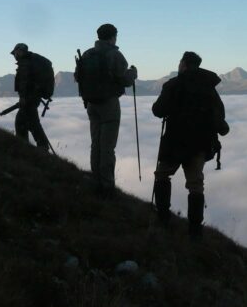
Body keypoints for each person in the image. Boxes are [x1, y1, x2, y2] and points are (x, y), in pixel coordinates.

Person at [151, 51, 229, 239]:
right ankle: (195, 231)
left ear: (184, 64)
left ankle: (162, 217)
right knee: (195, 185)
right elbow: (219, 115)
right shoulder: (209, 88)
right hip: (200, 143)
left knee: (162, 175)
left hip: (175, 142)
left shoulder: (173, 85)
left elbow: (158, 110)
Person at [75, 24, 137, 198]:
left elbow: (77, 76)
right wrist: (133, 73)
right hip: (109, 104)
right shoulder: (114, 54)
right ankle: (107, 186)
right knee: (108, 147)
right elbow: (125, 79)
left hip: (91, 104)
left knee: (96, 143)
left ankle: (96, 180)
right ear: (113, 37)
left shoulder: (87, 54)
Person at [10, 43, 53, 150]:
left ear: (19, 51)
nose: (14, 55)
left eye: (15, 53)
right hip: (35, 96)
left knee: (23, 122)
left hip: (29, 98)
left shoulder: (25, 63)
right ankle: (37, 147)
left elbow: (24, 82)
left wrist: (22, 98)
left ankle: (29, 147)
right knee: (31, 122)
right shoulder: (34, 61)